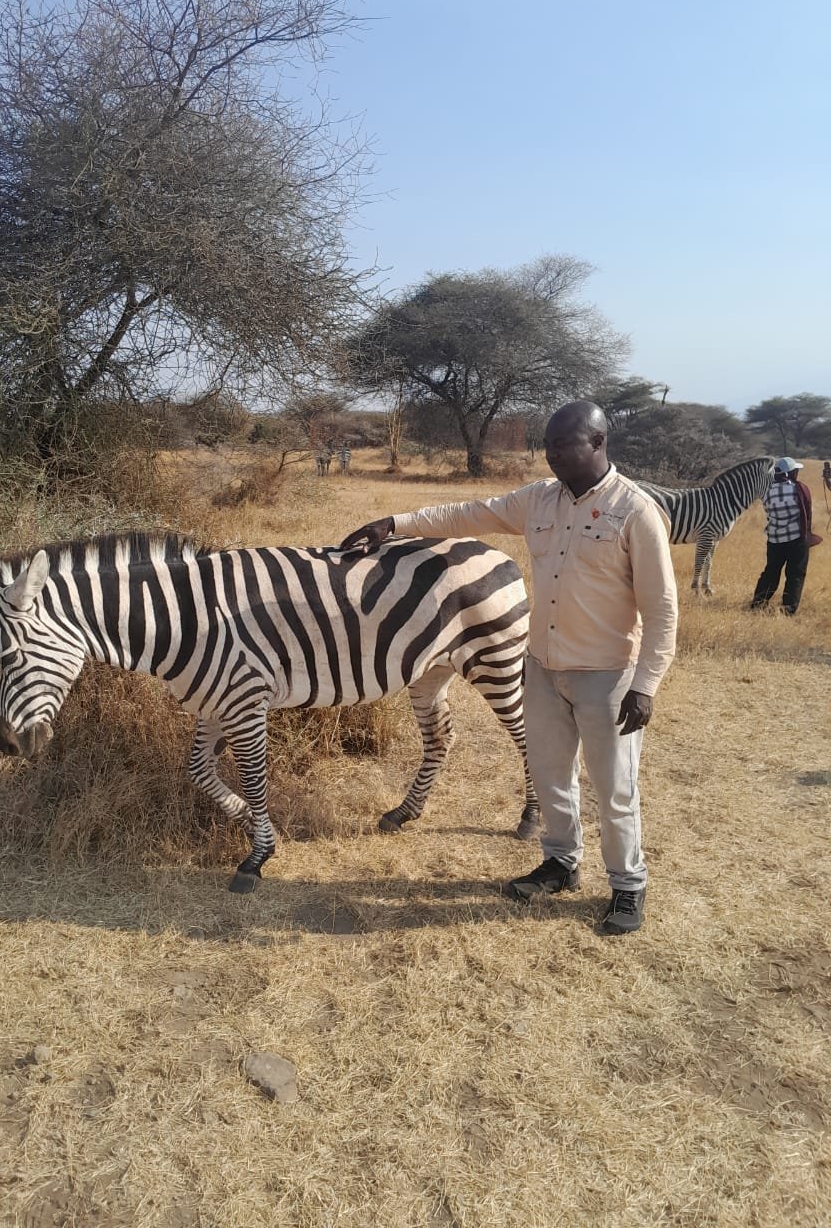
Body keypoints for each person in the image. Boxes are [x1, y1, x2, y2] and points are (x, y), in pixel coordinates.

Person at [340, 400, 678, 936]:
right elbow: (471, 512)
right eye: (548, 445)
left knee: (614, 787)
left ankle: (628, 885)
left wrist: (646, 685)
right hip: (541, 668)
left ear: (597, 443)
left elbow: (662, 610)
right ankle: (561, 862)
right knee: (551, 776)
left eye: (563, 445)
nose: (552, 455)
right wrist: (395, 522)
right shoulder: (539, 500)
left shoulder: (635, 512)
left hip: (607, 674)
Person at [749, 457, 816, 616]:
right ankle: (788, 609)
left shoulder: (766, 491)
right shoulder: (799, 488)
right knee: (795, 574)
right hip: (796, 539)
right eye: (796, 470)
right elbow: (806, 513)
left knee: (771, 572)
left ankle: (758, 604)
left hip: (774, 539)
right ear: (791, 472)